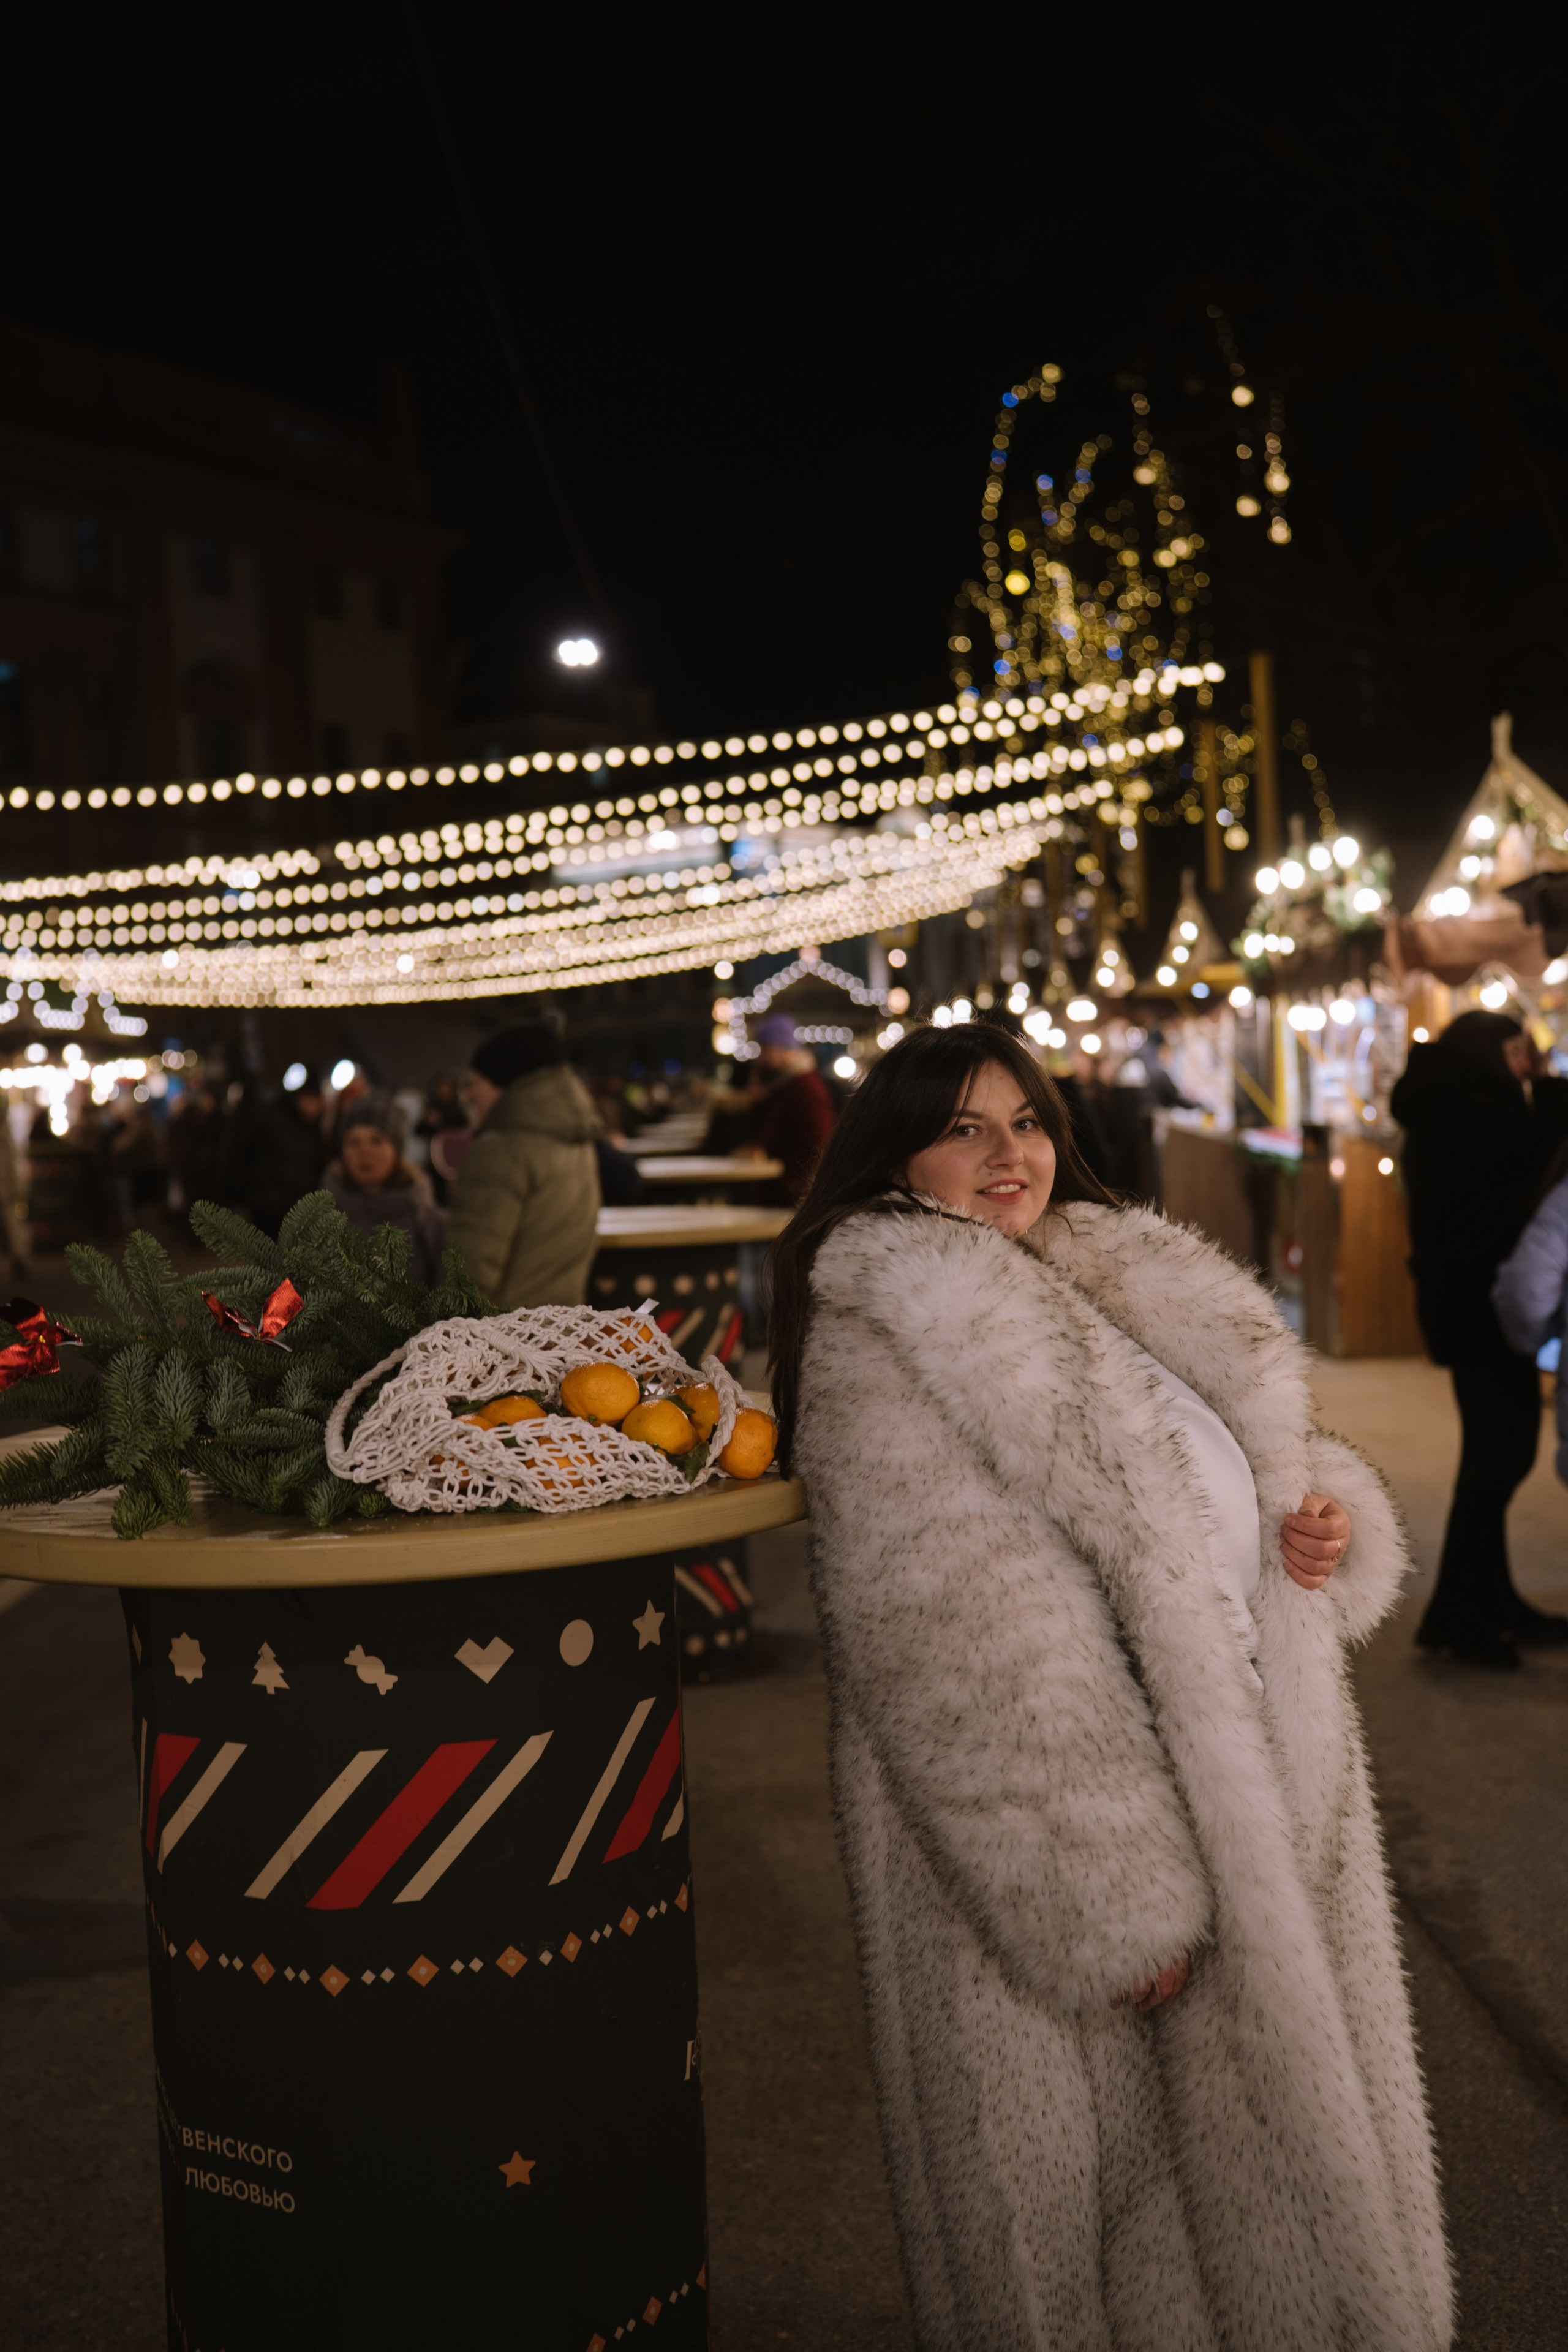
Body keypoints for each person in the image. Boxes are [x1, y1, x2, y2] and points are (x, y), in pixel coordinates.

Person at [767, 1020, 1449, 2351]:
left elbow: (1246, 1465)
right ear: (895, 1156)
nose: (1004, 1154)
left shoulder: (1110, 1270)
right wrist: (1109, 1901)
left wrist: (1317, 1522)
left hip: (1244, 1793)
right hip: (1066, 1860)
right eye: (960, 1129)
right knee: (1102, 2239)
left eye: (1021, 1120)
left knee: (1257, 2215)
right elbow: (959, 1646)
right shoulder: (895, 1330)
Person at [1390, 1009, 1568, 1667]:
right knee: (1497, 1458)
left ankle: (1488, 1600)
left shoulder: (1444, 1103)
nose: (1528, 1063)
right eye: (1520, 1051)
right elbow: (1541, 1145)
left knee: (1495, 1454)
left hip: (1466, 1306)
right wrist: (1549, 1085)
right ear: (1491, 1053)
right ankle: (1457, 1615)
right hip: (1482, 1310)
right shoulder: (1476, 1111)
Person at [445, 1023, 601, 1307]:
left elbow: (467, 1278)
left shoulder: (500, 1152)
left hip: (503, 1341)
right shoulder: (576, 1141)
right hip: (559, 1336)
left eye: (474, 1083)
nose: (468, 1096)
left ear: (502, 1082)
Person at [322, 1092, 447, 1286]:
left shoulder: (423, 1214)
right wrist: (272, 1316)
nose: (364, 1152)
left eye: (376, 1141)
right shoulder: (322, 1212)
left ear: (396, 1149)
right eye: (354, 1142)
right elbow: (297, 1279)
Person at [740, 1014, 835, 1204]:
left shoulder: (804, 1087)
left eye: (766, 1050)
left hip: (792, 1197)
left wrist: (794, 1187)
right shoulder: (784, 1085)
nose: (761, 1058)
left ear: (783, 1050)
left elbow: (818, 1143)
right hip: (780, 1188)